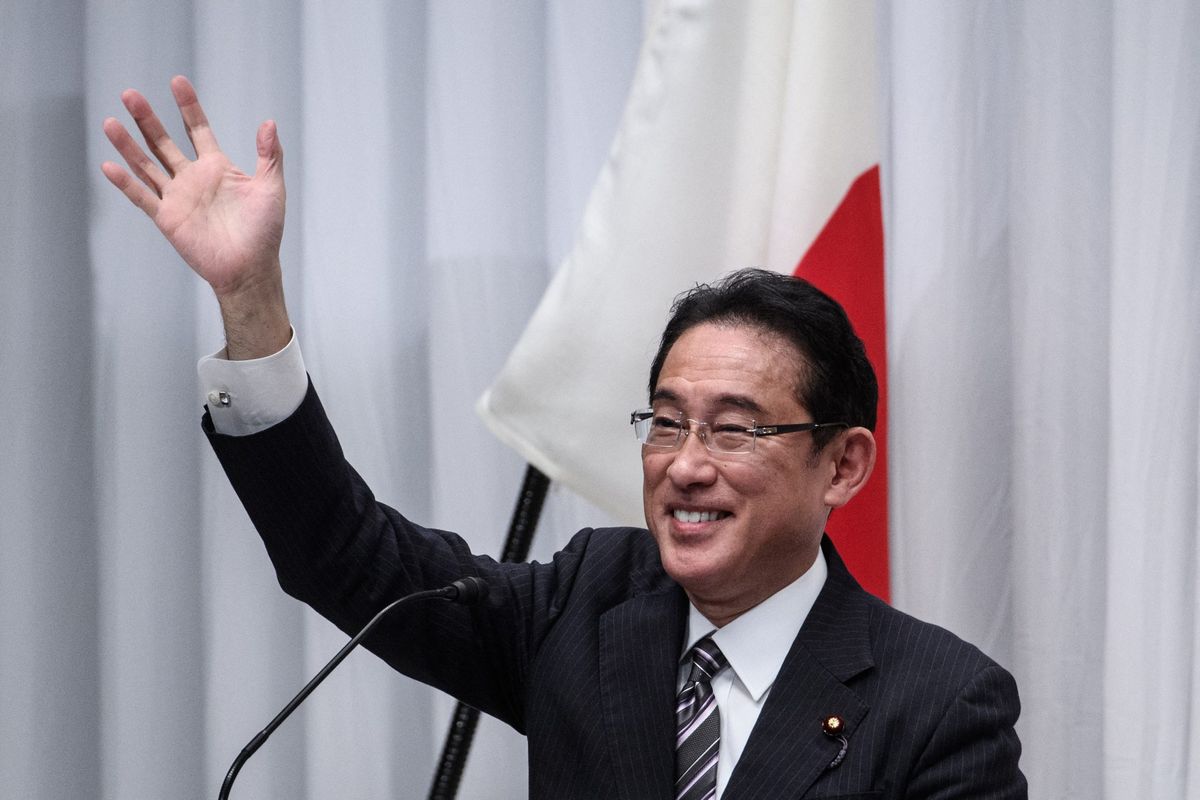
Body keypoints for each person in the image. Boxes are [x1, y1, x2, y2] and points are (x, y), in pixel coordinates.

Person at [103, 77, 1026, 799]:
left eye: (735, 431)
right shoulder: (588, 606)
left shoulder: (940, 704)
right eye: (666, 422)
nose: (686, 464)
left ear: (843, 464)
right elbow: (341, 554)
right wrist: (249, 298)